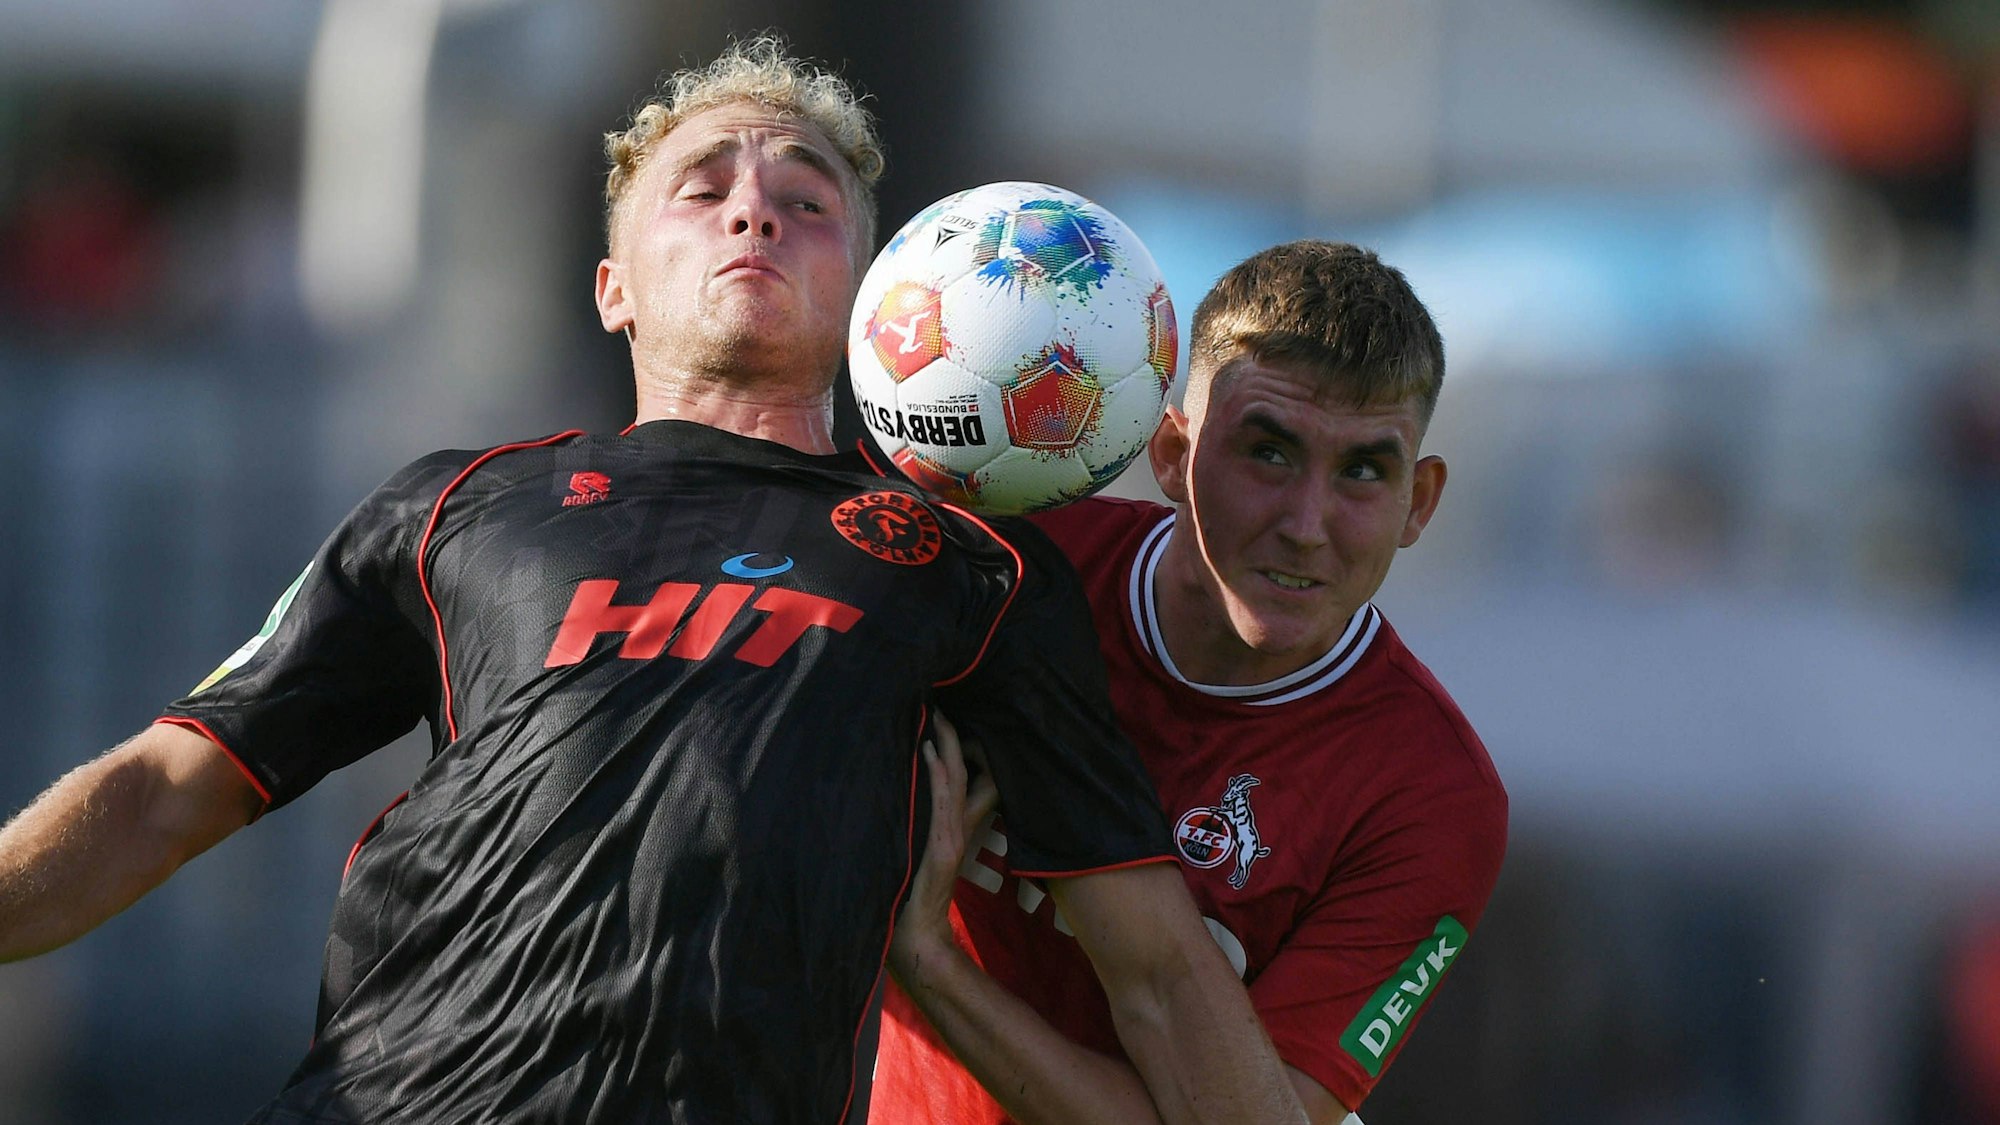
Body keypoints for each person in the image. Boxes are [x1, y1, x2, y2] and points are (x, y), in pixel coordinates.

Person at [0, 40, 1306, 1125]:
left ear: (868, 294)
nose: (756, 210)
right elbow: (166, 792)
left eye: (807, 199)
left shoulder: (972, 575)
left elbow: (1153, 966)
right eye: (704, 187)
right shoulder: (462, 504)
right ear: (615, 288)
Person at [871, 241, 1510, 1124]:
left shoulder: (1430, 796)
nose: (1308, 526)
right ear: (1172, 453)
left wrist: (934, 967)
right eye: (1269, 452)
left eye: (1365, 469)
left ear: (1421, 501)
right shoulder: (1011, 575)